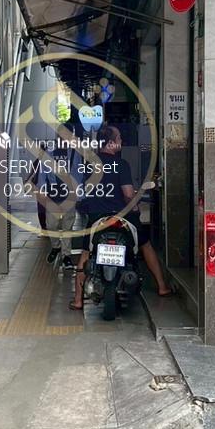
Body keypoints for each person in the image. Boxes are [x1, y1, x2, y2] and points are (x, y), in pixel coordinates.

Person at [70, 125, 173, 312]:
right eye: (118, 139)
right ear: (110, 143)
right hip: (123, 217)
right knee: (145, 245)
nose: (121, 142)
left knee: (86, 253)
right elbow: (127, 194)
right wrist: (135, 203)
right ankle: (162, 286)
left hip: (97, 217)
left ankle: (78, 300)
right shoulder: (121, 164)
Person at [36, 123, 82, 269]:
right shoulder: (49, 153)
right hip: (52, 193)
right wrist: (42, 190)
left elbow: (78, 174)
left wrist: (79, 194)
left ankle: (66, 255)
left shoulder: (74, 153)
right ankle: (56, 246)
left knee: (67, 226)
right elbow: (42, 173)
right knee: (51, 225)